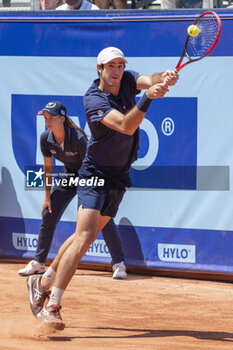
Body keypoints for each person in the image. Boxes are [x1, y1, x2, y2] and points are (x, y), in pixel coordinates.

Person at [26, 47, 178, 330]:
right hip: (94, 173)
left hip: (119, 177)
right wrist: (147, 99)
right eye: (110, 66)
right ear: (99, 69)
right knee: (84, 239)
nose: (116, 71)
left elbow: (149, 78)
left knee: (83, 235)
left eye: (120, 65)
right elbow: (125, 126)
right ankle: (53, 305)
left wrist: (164, 77)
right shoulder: (93, 98)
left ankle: (43, 280)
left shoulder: (128, 80)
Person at [20, 101, 127, 280]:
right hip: (69, 174)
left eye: (52, 117)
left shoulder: (77, 138)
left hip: (89, 176)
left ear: (62, 118)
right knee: (49, 212)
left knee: (100, 218)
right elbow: (48, 168)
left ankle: (119, 264)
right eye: (45, 117)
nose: (48, 121)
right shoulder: (45, 138)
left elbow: (92, 166)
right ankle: (38, 262)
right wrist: (47, 197)